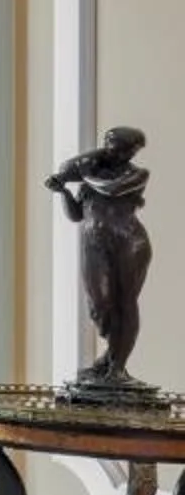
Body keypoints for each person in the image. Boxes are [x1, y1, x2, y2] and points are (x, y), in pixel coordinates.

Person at [49, 124, 156, 399]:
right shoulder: (93, 175)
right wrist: (64, 191)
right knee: (99, 305)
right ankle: (110, 357)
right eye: (109, 146)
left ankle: (117, 366)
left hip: (129, 243)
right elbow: (76, 214)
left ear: (133, 152)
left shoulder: (137, 175)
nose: (112, 152)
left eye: (120, 149)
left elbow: (112, 189)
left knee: (125, 302)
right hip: (94, 244)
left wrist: (85, 172)